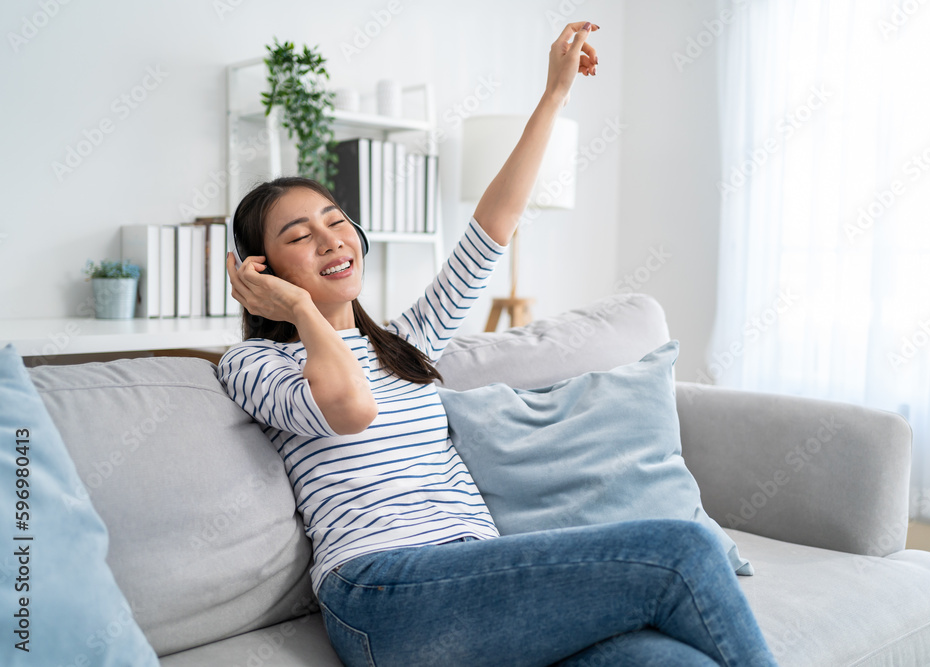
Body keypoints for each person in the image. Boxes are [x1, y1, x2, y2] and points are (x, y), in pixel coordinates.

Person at [217, 21, 779, 667]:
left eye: (337, 221)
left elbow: (495, 224)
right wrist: (297, 310)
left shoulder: (408, 341)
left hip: (475, 575)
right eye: (299, 234)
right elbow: (351, 407)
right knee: (685, 552)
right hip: (382, 592)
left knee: (665, 661)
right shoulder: (255, 363)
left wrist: (554, 94)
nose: (330, 239)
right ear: (260, 268)